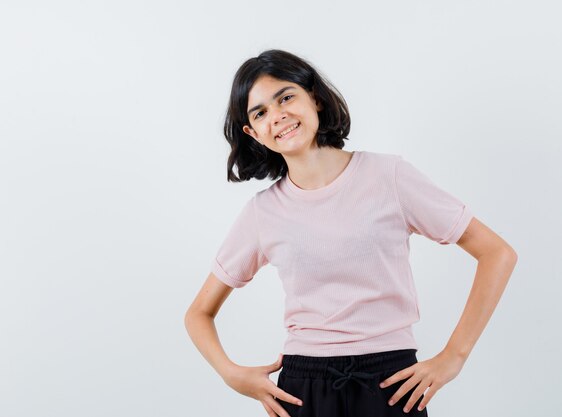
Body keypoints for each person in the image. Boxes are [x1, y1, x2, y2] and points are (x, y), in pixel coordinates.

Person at [184, 49, 517, 417]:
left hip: (392, 384)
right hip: (303, 390)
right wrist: (231, 374)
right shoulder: (263, 213)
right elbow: (199, 312)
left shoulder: (388, 176)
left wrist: (454, 356)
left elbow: (497, 253)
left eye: (286, 97)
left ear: (315, 98)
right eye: (260, 113)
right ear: (253, 133)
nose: (277, 116)